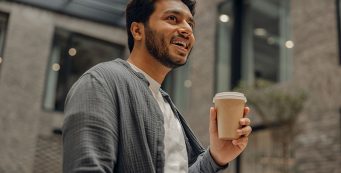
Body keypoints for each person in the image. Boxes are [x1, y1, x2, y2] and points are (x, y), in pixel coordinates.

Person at [62, 0, 252, 172]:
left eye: (190, 24)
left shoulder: (166, 105)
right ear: (137, 31)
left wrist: (216, 157)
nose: (187, 30)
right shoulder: (101, 82)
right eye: (172, 18)